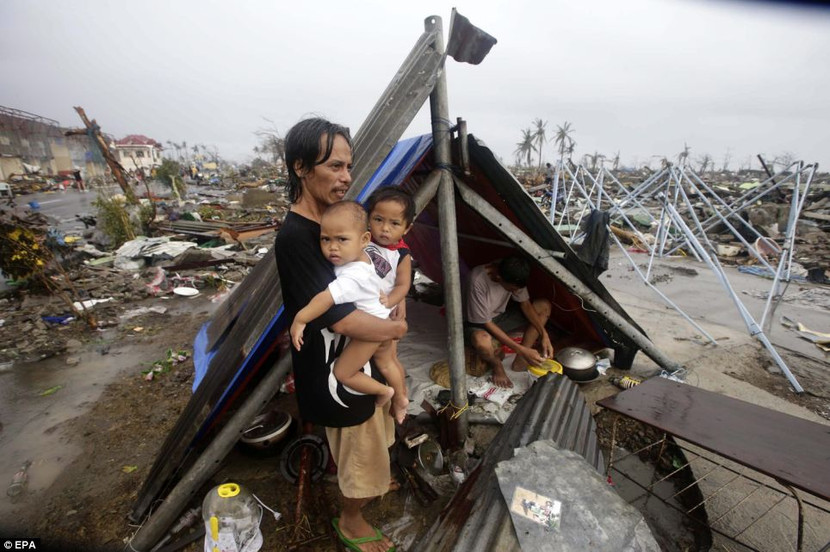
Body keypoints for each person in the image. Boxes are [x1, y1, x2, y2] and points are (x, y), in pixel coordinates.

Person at [275, 117, 404, 552]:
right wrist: (396, 328)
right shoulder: (297, 236)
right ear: (300, 168)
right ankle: (351, 519)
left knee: (371, 440)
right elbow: (342, 320)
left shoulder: (330, 225)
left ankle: (369, 486)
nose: (345, 177)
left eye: (348, 166)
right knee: (359, 452)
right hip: (333, 372)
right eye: (333, 166)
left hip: (359, 359)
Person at [289, 200, 405, 420]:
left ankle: (385, 391)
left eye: (342, 239)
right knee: (388, 363)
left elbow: (326, 298)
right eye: (326, 239)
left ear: (364, 240)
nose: (333, 247)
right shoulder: (362, 259)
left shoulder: (351, 275)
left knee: (343, 373)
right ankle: (401, 399)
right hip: (382, 322)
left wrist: (301, 318)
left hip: (370, 331)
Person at [364, 186, 415, 423]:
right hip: (375, 311)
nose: (384, 228)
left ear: (407, 228)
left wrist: (392, 301)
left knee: (385, 360)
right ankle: (401, 394)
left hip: (382, 314)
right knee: (391, 359)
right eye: (378, 219)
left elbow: (403, 286)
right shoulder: (364, 240)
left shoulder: (402, 255)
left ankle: (399, 399)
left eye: (394, 223)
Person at [464, 256, 553, 388]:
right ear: (499, 278)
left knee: (543, 306)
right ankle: (497, 365)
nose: (516, 292)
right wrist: (520, 349)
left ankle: (520, 361)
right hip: (476, 324)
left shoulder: (512, 271)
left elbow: (526, 305)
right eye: (512, 289)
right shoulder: (477, 280)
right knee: (482, 339)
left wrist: (544, 335)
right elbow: (486, 323)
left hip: (499, 317)